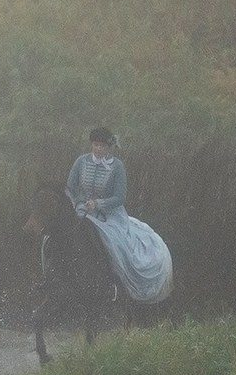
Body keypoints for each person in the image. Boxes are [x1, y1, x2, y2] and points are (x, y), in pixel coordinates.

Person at [64, 127, 174, 304]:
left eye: (102, 146)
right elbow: (70, 187)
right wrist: (78, 203)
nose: (98, 149)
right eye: (95, 145)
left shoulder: (117, 167)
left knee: (114, 244)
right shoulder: (81, 162)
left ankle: (114, 284)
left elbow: (120, 197)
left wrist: (98, 204)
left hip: (110, 216)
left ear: (109, 147)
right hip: (82, 211)